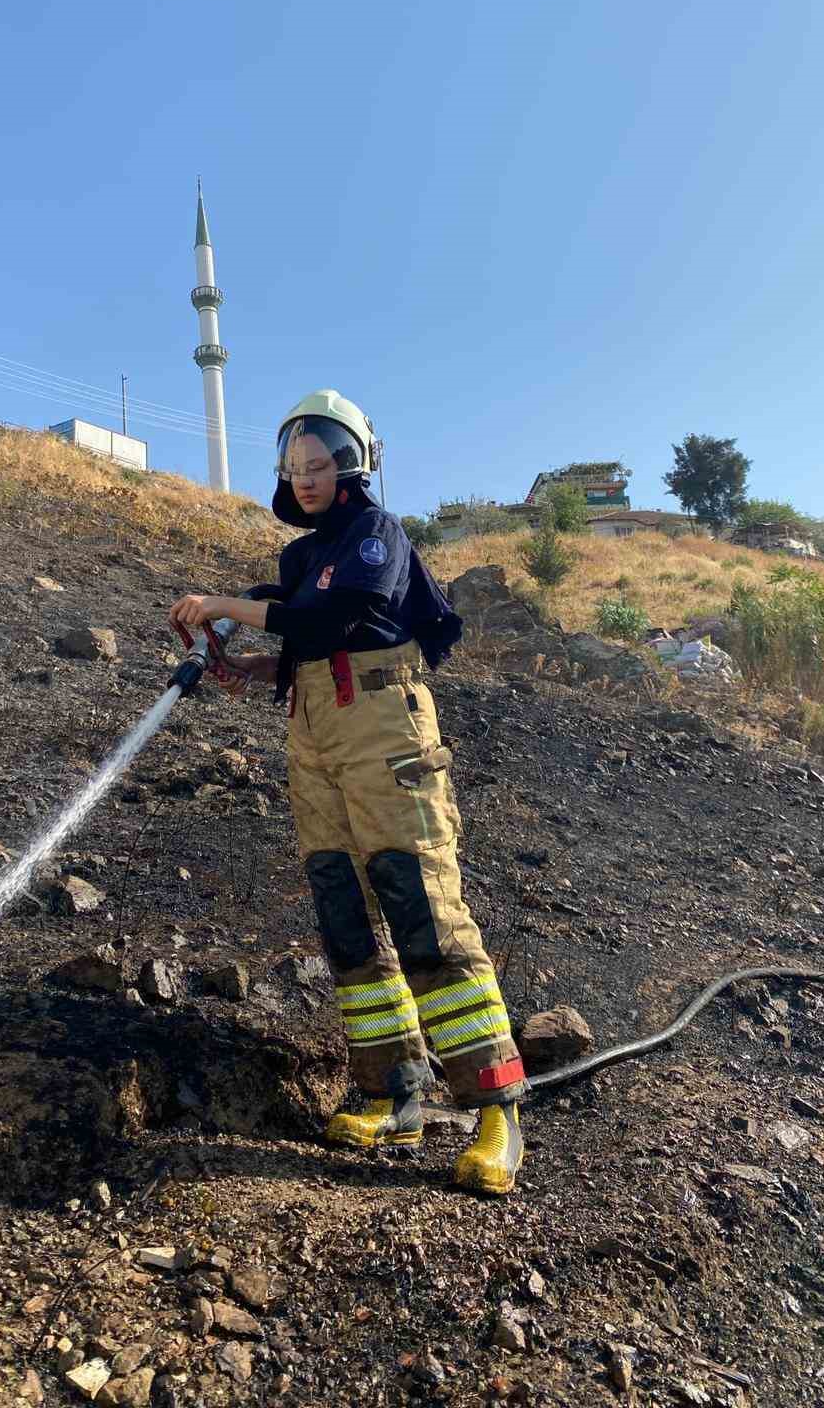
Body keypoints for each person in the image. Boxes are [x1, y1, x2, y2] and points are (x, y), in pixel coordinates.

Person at [169, 389, 527, 1196]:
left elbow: (344, 616)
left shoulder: (376, 536)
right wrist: (250, 664)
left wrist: (227, 605)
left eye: (318, 464)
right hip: (315, 732)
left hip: (382, 729)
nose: (304, 478)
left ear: (354, 464)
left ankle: (496, 1109)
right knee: (344, 911)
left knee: (419, 900)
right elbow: (307, 641)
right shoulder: (301, 561)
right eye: (293, 467)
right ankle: (393, 1093)